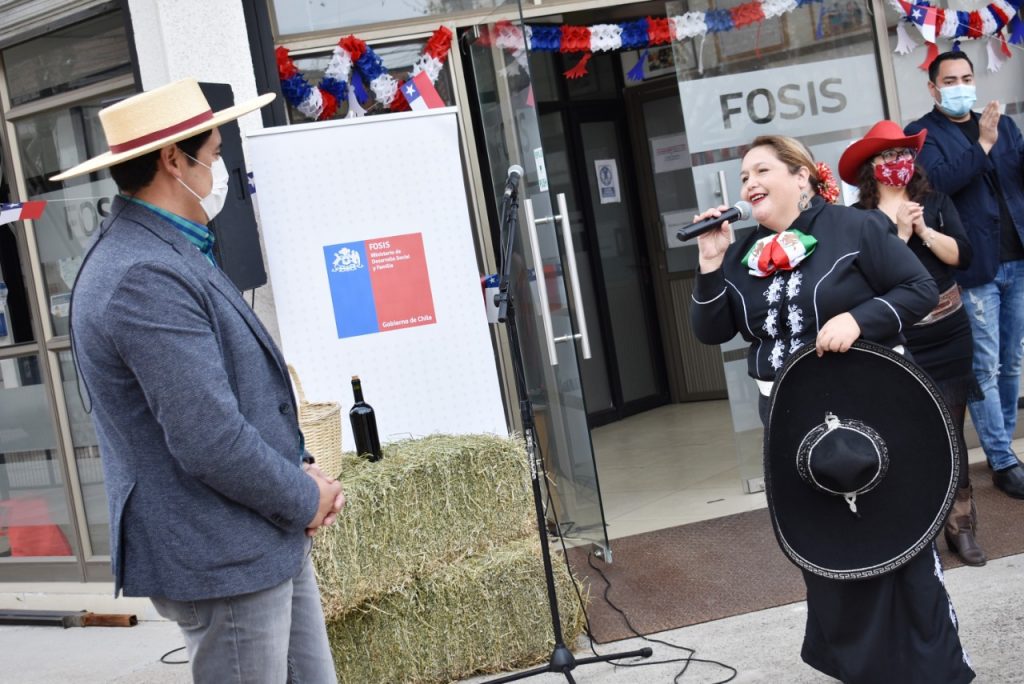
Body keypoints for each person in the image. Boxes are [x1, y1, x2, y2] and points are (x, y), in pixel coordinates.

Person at [52, 79, 345, 683]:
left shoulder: (168, 249)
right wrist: (302, 496)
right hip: (222, 551)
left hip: (257, 537)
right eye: (213, 153)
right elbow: (209, 438)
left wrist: (299, 466)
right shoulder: (141, 274)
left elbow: (240, 395)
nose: (221, 167)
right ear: (171, 160)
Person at [690, 136, 974, 683]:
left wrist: (860, 319)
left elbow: (918, 288)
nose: (748, 182)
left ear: (801, 178)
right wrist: (710, 262)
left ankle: (934, 670)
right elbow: (711, 330)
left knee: (901, 543)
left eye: (762, 169)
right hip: (792, 427)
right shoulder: (744, 253)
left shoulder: (856, 228)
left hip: (874, 411)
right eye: (743, 174)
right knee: (829, 553)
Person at [838, 119, 986, 566]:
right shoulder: (860, 221)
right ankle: (919, 529)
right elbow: (867, 282)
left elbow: (962, 256)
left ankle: (962, 524)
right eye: (885, 156)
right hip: (898, 339)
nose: (896, 163)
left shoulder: (935, 202)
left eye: (903, 154)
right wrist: (899, 234)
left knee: (952, 435)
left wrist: (922, 230)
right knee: (908, 436)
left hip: (949, 332)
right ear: (870, 168)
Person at [905, 50, 1024, 500]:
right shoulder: (922, 134)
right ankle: (1003, 459)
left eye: (967, 77)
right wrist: (984, 145)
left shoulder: (1004, 125)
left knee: (1011, 362)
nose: (961, 86)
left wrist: (999, 141)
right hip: (974, 265)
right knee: (985, 366)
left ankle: (1005, 453)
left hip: (1017, 258)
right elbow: (937, 183)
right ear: (933, 88)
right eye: (950, 79)